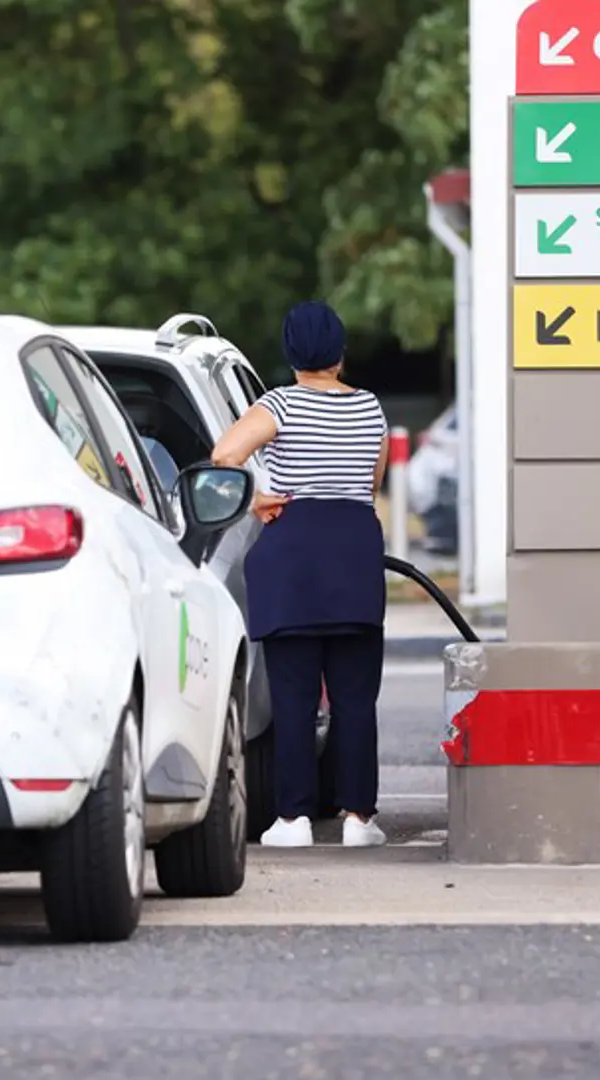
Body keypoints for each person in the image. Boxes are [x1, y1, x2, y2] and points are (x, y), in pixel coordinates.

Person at [210, 300, 389, 849]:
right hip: (355, 555)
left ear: (291, 354)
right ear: (340, 352)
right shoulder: (370, 408)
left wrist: (259, 500)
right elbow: (371, 483)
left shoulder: (279, 404)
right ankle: (359, 819)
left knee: (294, 698)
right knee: (356, 698)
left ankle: (293, 819)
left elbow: (224, 456)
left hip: (293, 559)